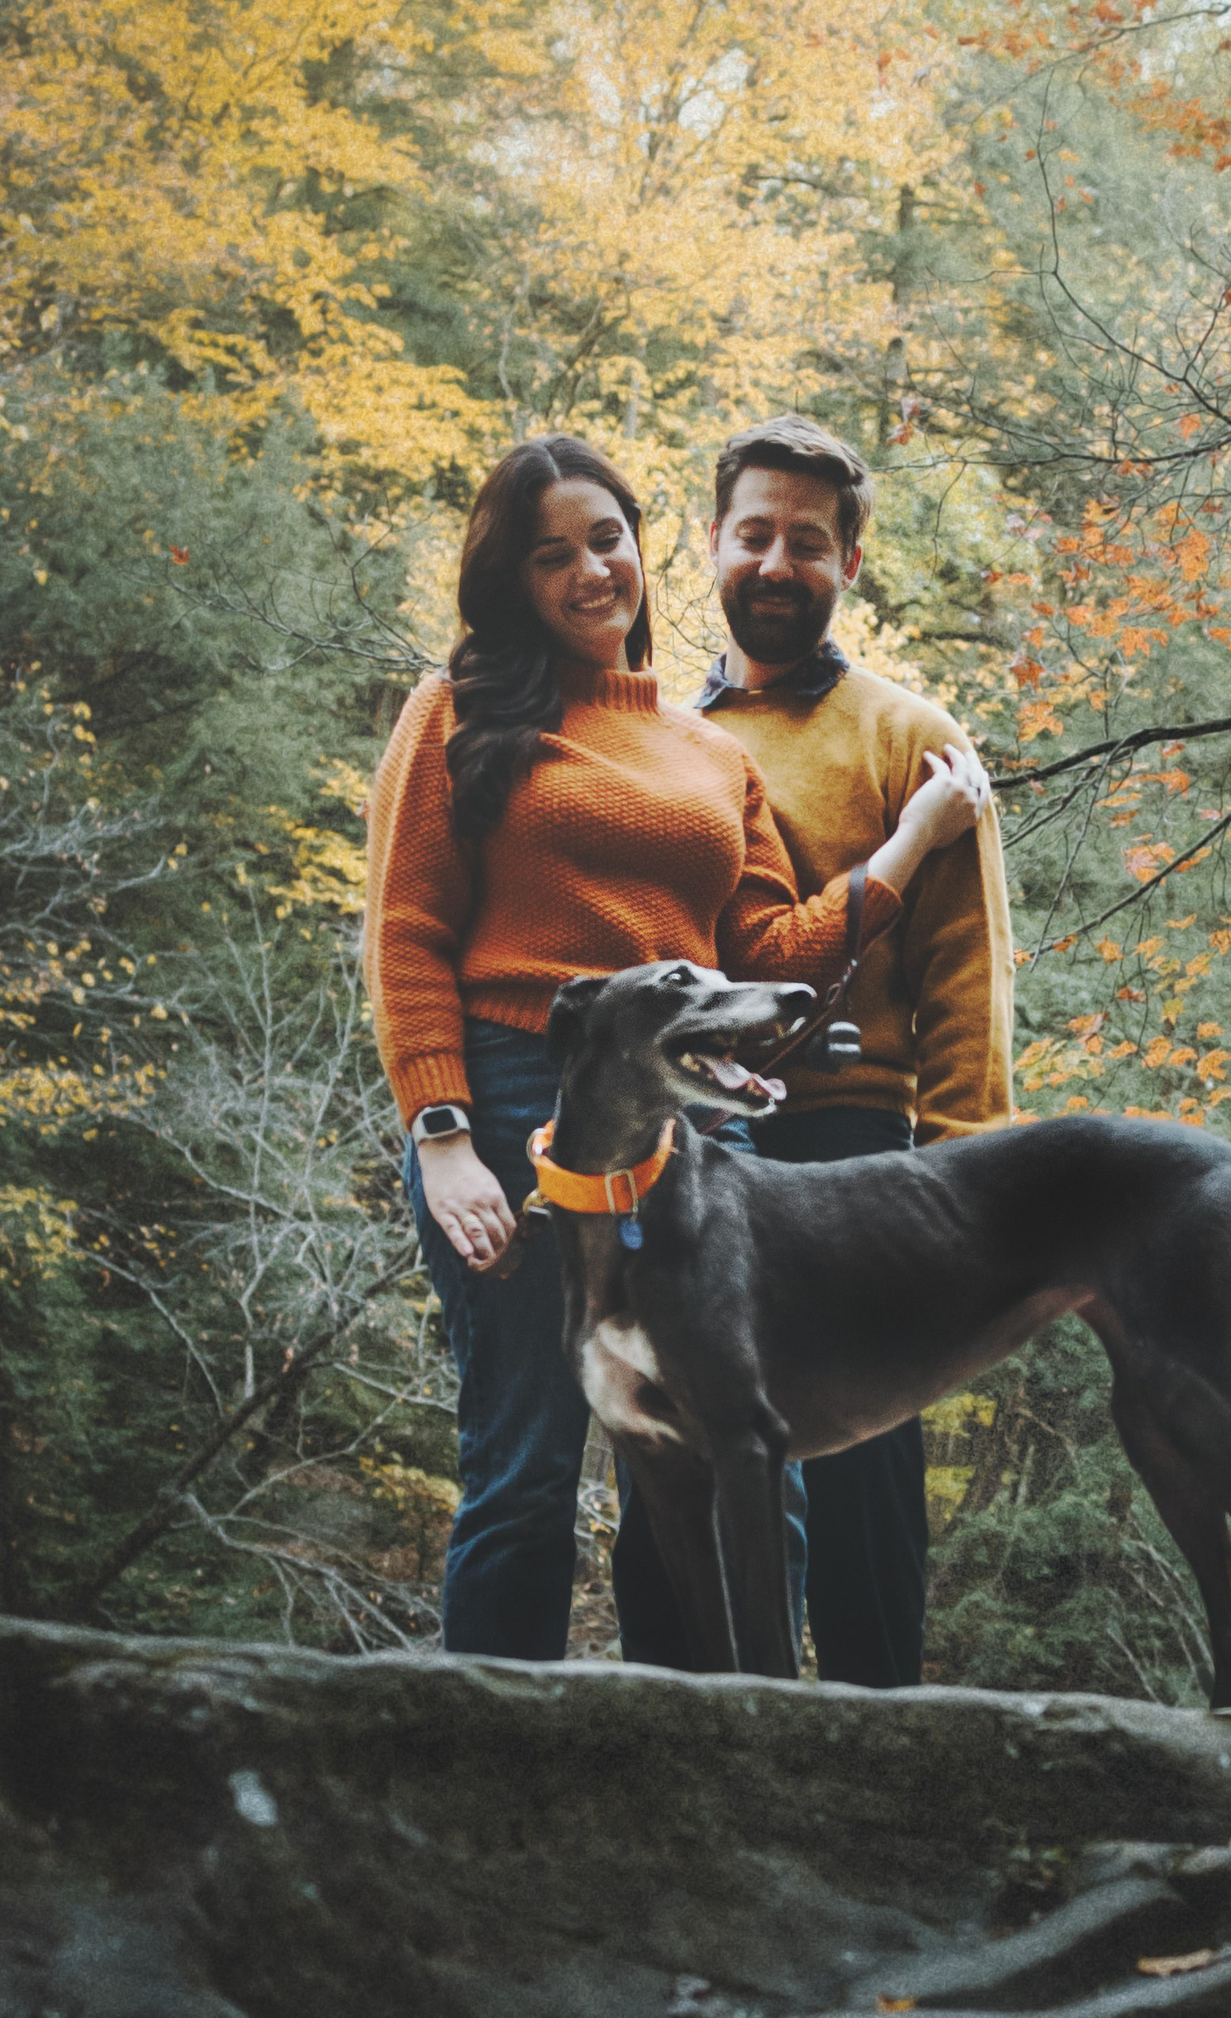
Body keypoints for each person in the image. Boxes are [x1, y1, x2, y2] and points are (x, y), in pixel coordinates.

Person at [364, 429, 987, 1664]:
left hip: (696, 1129)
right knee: (526, 1468)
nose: (592, 571)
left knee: (751, 1463)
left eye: (608, 539)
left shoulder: (710, 750)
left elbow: (765, 959)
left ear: (646, 549)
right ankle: (495, 1781)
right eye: (554, 554)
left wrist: (909, 842)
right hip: (515, 1106)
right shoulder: (459, 709)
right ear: (513, 577)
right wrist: (441, 1136)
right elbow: (406, 928)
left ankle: (743, 1763)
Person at [694, 413, 1015, 1687]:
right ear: (711, 542)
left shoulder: (910, 738)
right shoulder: (664, 741)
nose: (777, 563)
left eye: (808, 543)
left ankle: (885, 1743)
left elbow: (966, 976)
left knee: (870, 1464)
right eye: (754, 533)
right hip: (700, 1142)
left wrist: (968, 1187)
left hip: (857, 1147)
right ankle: (690, 1721)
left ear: (851, 563)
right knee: (696, 1445)